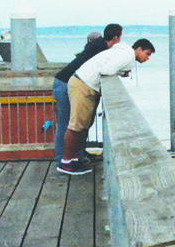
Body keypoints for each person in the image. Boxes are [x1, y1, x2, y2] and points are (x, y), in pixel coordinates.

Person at [59, 38, 154, 175]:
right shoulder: (127, 56)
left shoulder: (122, 52)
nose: (147, 58)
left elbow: (108, 67)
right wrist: (122, 71)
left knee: (82, 126)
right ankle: (66, 162)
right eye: (147, 53)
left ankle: (73, 159)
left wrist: (121, 72)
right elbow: (107, 70)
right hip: (83, 86)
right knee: (76, 127)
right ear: (138, 49)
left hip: (83, 83)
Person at [52, 23, 122, 163]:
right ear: (115, 38)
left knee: (82, 123)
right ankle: (62, 159)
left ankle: (78, 155)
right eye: (120, 37)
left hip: (66, 82)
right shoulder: (101, 49)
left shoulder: (98, 45)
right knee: (67, 124)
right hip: (65, 83)